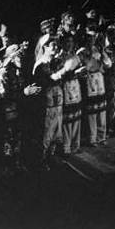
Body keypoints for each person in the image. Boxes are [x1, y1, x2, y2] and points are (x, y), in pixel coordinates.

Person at [0, 42, 40, 177]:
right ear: (11, 57)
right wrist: (24, 93)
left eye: (22, 56)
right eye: (18, 56)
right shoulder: (3, 74)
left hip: (18, 113)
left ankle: (16, 164)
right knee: (7, 142)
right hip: (7, 115)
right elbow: (3, 97)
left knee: (17, 139)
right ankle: (6, 169)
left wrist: (27, 91)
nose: (22, 59)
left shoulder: (18, 72)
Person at [32, 34, 69, 170]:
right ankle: (41, 160)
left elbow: (59, 80)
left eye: (56, 44)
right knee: (46, 133)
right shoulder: (41, 64)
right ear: (45, 47)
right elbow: (50, 79)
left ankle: (50, 156)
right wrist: (65, 70)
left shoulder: (54, 61)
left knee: (56, 132)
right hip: (47, 103)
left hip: (57, 100)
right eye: (53, 45)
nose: (56, 47)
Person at [77, 24, 112, 147]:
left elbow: (108, 64)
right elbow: (83, 67)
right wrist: (90, 58)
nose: (91, 40)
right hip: (89, 80)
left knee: (101, 109)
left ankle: (101, 136)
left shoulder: (98, 49)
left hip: (99, 79)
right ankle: (92, 138)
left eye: (93, 37)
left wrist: (103, 54)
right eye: (89, 38)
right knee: (92, 111)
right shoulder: (81, 52)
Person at [57, 34, 84, 156]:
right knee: (67, 119)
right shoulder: (59, 57)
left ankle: (75, 144)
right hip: (65, 88)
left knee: (76, 116)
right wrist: (74, 73)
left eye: (71, 42)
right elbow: (60, 74)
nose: (69, 44)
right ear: (62, 43)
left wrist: (81, 73)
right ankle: (66, 146)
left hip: (75, 88)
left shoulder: (75, 56)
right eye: (67, 41)